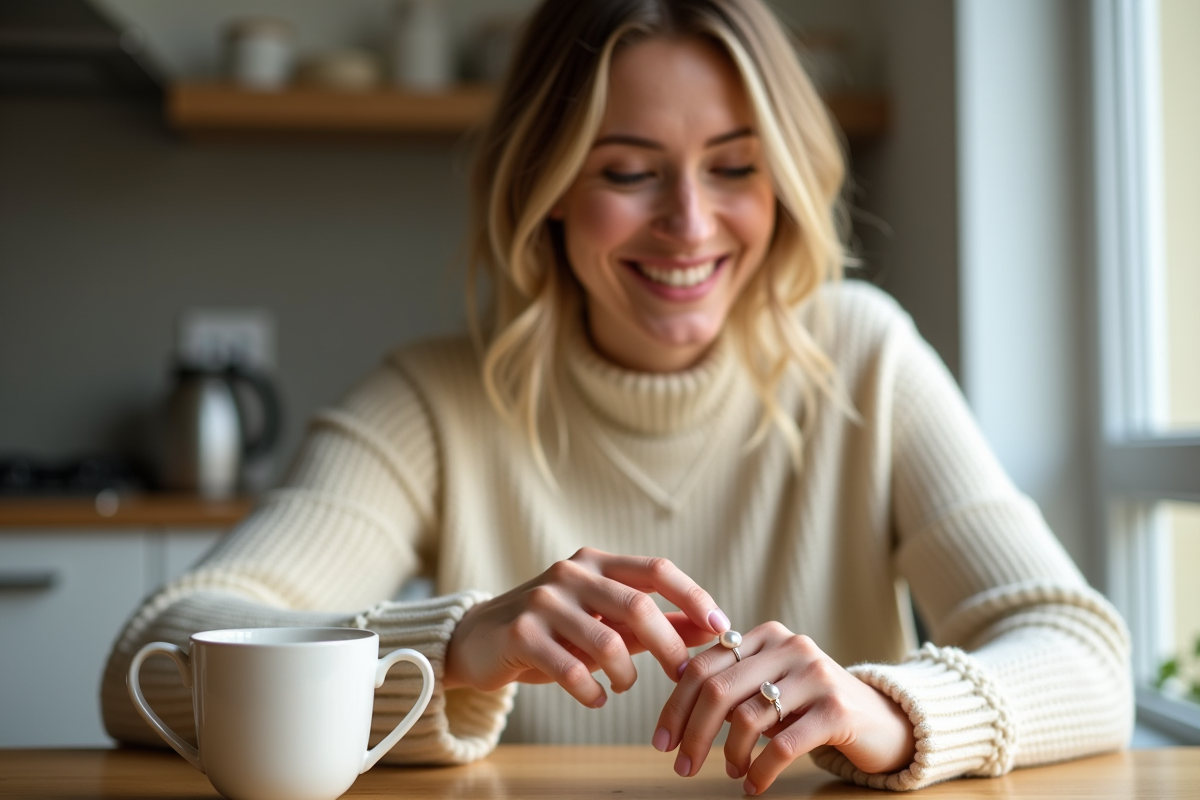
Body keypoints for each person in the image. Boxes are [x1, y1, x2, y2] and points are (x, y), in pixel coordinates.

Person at [101, 0, 1133, 793]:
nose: (690, 224)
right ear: (545, 190)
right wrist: (449, 646)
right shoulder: (432, 402)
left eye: (735, 167)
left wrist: (890, 707)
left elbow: (1084, 652)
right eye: (630, 170)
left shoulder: (865, 354)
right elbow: (154, 649)